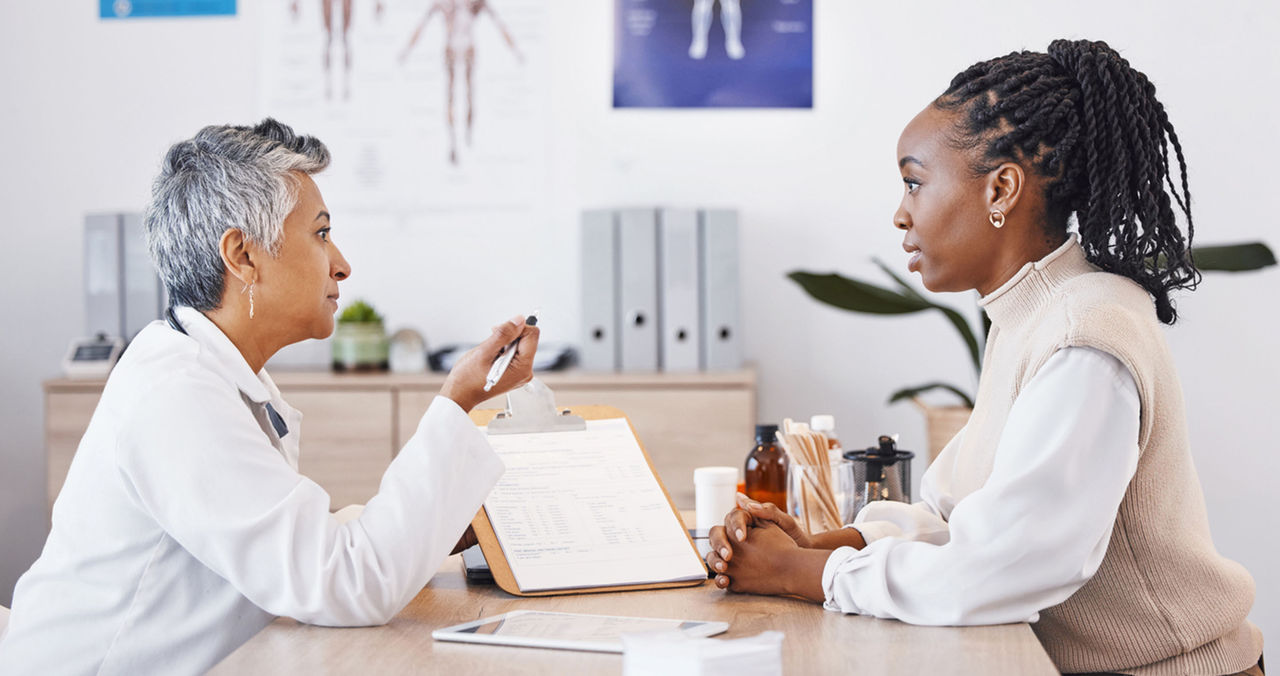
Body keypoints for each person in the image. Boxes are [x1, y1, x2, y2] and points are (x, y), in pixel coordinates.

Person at [705, 40, 1264, 676]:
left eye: (915, 182)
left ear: (1002, 188)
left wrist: (807, 573)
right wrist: (829, 542)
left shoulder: (1085, 333)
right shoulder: (1033, 311)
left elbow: (1006, 564)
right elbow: (957, 512)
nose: (899, 213)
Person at [0, 119, 539, 674]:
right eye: (321, 233)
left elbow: (299, 542)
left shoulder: (207, 368)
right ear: (243, 256)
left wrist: (433, 524)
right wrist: (456, 400)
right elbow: (345, 582)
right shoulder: (176, 397)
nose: (341, 264)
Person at [399, 0, 523, 165]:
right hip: (453, 49)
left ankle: (467, 134)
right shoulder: (446, 5)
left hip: (465, 49)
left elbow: (498, 23)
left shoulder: (473, 4)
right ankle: (454, 141)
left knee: (468, 93)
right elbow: (422, 25)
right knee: (453, 96)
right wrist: (407, 51)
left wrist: (515, 50)